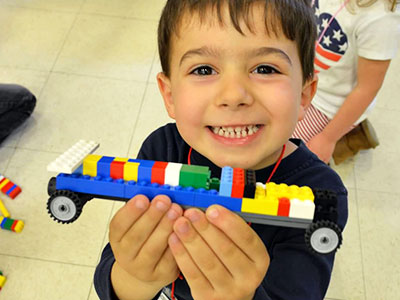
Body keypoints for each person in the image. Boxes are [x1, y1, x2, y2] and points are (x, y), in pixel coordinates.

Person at [94, 1, 348, 300]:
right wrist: (136, 276)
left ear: (303, 95)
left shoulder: (319, 193)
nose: (233, 95)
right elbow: (113, 280)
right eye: (204, 69)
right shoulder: (161, 150)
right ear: (170, 94)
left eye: (265, 68)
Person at [292, 0, 400, 164]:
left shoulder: (382, 20)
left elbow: (367, 89)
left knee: (284, 146)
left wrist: (328, 138)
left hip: (327, 104)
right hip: (303, 74)